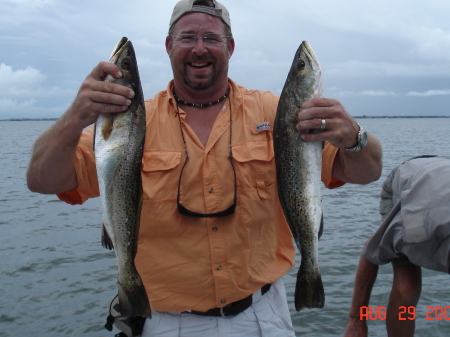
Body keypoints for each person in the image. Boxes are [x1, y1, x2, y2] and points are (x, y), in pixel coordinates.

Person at [27, 0, 382, 336]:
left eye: (211, 38)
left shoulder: (277, 114)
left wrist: (354, 136)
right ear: (169, 45)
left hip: (263, 315)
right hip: (165, 321)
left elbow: (366, 172)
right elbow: (41, 180)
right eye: (188, 37)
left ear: (230, 47)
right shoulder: (130, 123)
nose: (200, 48)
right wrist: (75, 118)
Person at [344, 155, 450, 337]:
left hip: (439, 177)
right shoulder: (416, 227)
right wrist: (357, 321)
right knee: (406, 288)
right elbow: (371, 251)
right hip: (406, 184)